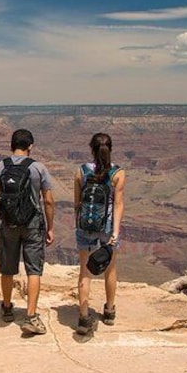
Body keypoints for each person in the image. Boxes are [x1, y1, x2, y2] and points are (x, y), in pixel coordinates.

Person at [0, 129, 55, 334]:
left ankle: (7, 307)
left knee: (7, 268)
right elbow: (48, 200)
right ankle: (31, 316)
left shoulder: (0, 166)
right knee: (33, 270)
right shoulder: (38, 168)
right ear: (30, 146)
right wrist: (51, 227)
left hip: (8, 223)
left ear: (12, 145)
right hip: (32, 224)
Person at [73, 133, 126, 334]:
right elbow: (119, 204)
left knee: (84, 272)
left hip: (85, 226)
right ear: (110, 149)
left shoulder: (81, 171)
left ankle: (84, 318)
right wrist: (115, 232)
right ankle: (110, 311)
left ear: (91, 149)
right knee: (110, 269)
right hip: (107, 226)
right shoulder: (118, 173)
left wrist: (80, 225)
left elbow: (77, 204)